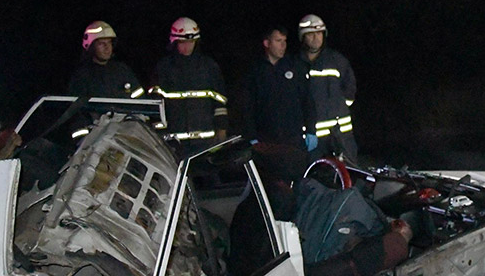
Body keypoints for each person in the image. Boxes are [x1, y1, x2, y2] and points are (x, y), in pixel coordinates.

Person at [244, 27, 318, 184]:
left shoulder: (295, 66)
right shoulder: (255, 71)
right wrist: (251, 137)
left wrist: (311, 130)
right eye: (278, 41)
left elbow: (308, 101)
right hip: (267, 141)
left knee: (298, 183)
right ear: (267, 43)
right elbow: (247, 107)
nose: (283, 45)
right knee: (272, 185)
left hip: (293, 140)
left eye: (284, 41)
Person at [148, 17, 229, 154]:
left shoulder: (209, 66)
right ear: (174, 42)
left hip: (206, 143)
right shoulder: (164, 68)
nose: (187, 46)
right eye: (183, 42)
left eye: (191, 42)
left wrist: (221, 129)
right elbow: (155, 105)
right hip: (174, 144)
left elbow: (219, 102)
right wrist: (161, 136)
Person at [298, 14, 358, 163]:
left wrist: (340, 107)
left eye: (319, 33)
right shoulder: (296, 64)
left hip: (340, 134)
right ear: (303, 37)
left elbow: (350, 88)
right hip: (312, 136)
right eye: (311, 34)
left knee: (350, 174)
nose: (316, 38)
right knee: (312, 177)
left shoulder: (337, 60)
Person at [67, 21, 144, 100]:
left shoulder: (122, 70)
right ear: (91, 47)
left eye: (109, 43)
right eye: (101, 44)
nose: (107, 48)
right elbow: (77, 107)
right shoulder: (82, 75)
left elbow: (140, 98)